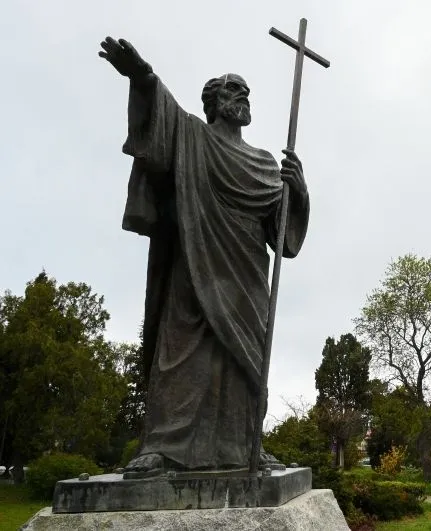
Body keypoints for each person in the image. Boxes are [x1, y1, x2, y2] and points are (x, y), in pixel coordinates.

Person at [98, 37, 310, 474]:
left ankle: (245, 445)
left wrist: (300, 192)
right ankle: (162, 446)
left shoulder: (266, 163)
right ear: (214, 102)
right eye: (234, 89)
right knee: (182, 353)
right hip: (195, 261)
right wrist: (142, 76)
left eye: (246, 91)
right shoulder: (192, 136)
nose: (243, 95)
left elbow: (281, 238)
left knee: (243, 361)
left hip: (247, 276)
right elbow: (161, 119)